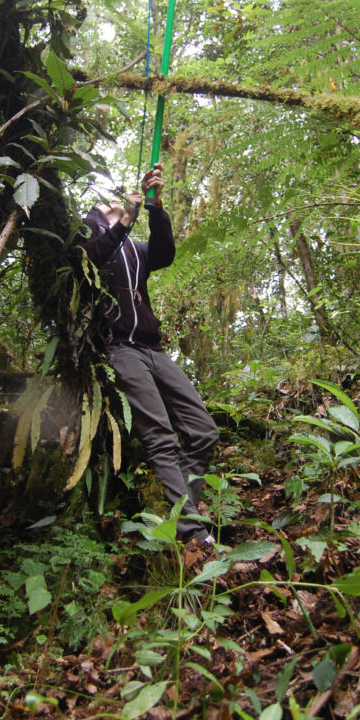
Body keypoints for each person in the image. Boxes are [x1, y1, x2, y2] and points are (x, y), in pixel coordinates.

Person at [79, 163, 219, 544]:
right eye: (106, 202)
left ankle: (179, 516)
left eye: (117, 201)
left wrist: (155, 206)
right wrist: (125, 218)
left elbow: (164, 252)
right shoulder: (92, 241)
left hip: (153, 348)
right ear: (95, 217)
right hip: (118, 348)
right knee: (160, 435)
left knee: (204, 431)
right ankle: (193, 532)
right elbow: (92, 257)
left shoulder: (135, 250)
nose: (114, 201)